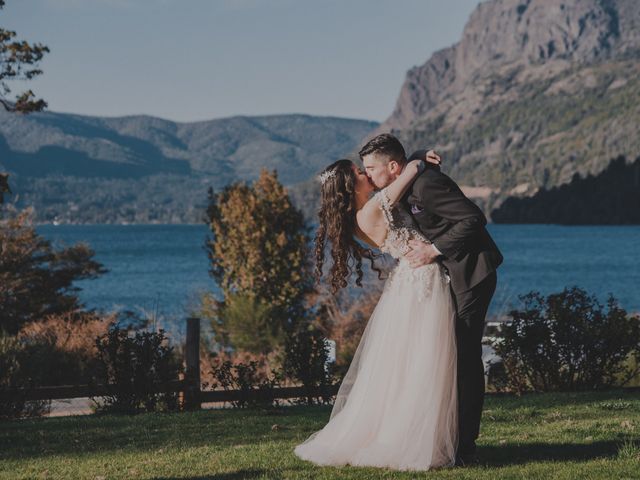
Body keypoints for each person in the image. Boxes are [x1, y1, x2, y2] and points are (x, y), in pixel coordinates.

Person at [294, 151, 459, 471]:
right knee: (421, 359)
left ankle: (417, 434)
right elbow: (409, 171)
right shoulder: (371, 209)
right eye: (359, 172)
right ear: (349, 186)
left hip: (408, 282)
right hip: (420, 277)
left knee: (405, 363)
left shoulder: (359, 219)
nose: (366, 174)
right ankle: (409, 439)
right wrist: (418, 159)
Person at [360, 133, 503, 465]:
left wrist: (434, 250)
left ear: (393, 167)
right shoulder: (406, 185)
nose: (367, 175)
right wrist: (419, 157)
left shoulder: (426, 186)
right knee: (450, 355)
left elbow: (472, 218)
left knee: (465, 357)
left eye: (371, 169)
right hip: (448, 275)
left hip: (472, 274)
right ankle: (450, 438)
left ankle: (465, 445)